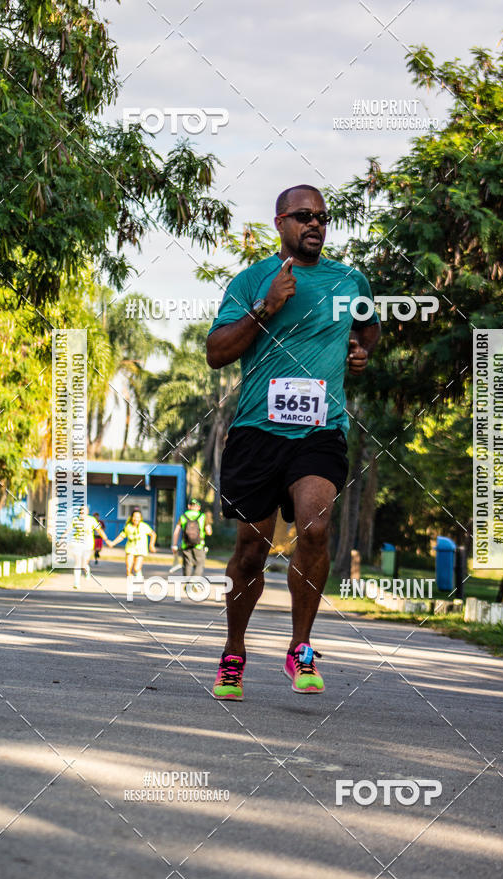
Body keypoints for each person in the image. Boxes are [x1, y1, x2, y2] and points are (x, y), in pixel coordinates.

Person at [206, 184, 380, 701]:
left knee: (316, 527)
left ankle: (300, 646)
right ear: (280, 221)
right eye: (304, 216)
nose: (315, 225)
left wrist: (359, 350)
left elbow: (368, 329)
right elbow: (216, 352)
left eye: (323, 217)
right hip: (257, 431)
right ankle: (234, 652)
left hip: (320, 430)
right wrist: (266, 307)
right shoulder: (252, 280)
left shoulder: (350, 281)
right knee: (251, 549)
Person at [170, 499, 212, 588]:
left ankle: (188, 582)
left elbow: (176, 531)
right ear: (199, 507)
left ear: (189, 506)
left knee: (187, 564)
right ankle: (194, 580)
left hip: (186, 544)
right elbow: (209, 532)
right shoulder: (202, 516)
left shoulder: (183, 516)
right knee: (199, 563)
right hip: (199, 544)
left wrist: (174, 544)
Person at [110, 507, 156, 583]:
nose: (136, 519)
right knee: (128, 568)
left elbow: (153, 534)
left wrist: (151, 545)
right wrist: (113, 543)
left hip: (141, 550)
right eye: (134, 517)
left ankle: (138, 576)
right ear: (131, 517)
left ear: (140, 518)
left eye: (138, 517)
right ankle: (131, 583)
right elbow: (121, 536)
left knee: (136, 568)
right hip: (130, 549)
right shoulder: (128, 526)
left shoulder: (144, 526)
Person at [68, 505, 110, 590]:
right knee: (77, 563)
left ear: (87, 512)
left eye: (84, 510)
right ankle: (76, 582)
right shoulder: (75, 519)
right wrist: (62, 538)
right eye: (81, 510)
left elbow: (99, 530)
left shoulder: (92, 520)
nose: (82, 512)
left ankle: (87, 571)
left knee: (84, 565)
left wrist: (106, 540)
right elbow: (68, 529)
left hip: (88, 544)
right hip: (77, 543)